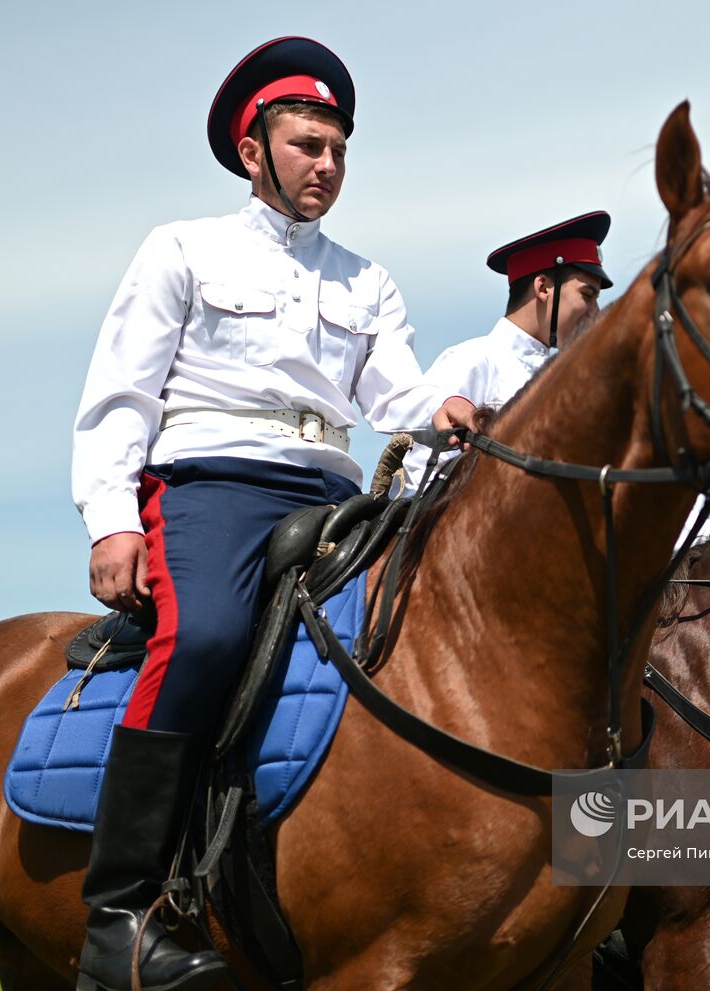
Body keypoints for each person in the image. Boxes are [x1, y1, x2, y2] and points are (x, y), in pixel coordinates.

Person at [70, 37, 470, 991]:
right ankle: (120, 914)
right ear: (254, 152)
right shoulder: (181, 247)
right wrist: (111, 518)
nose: (325, 166)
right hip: (212, 486)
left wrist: (451, 410)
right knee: (206, 635)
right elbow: (119, 394)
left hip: (333, 492)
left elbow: (398, 393)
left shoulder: (366, 278)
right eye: (305, 145)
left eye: (336, 149)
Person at [402, 211, 612, 488]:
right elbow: (421, 481)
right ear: (544, 287)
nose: (595, 312)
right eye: (587, 295)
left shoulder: (564, 381)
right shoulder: (474, 359)